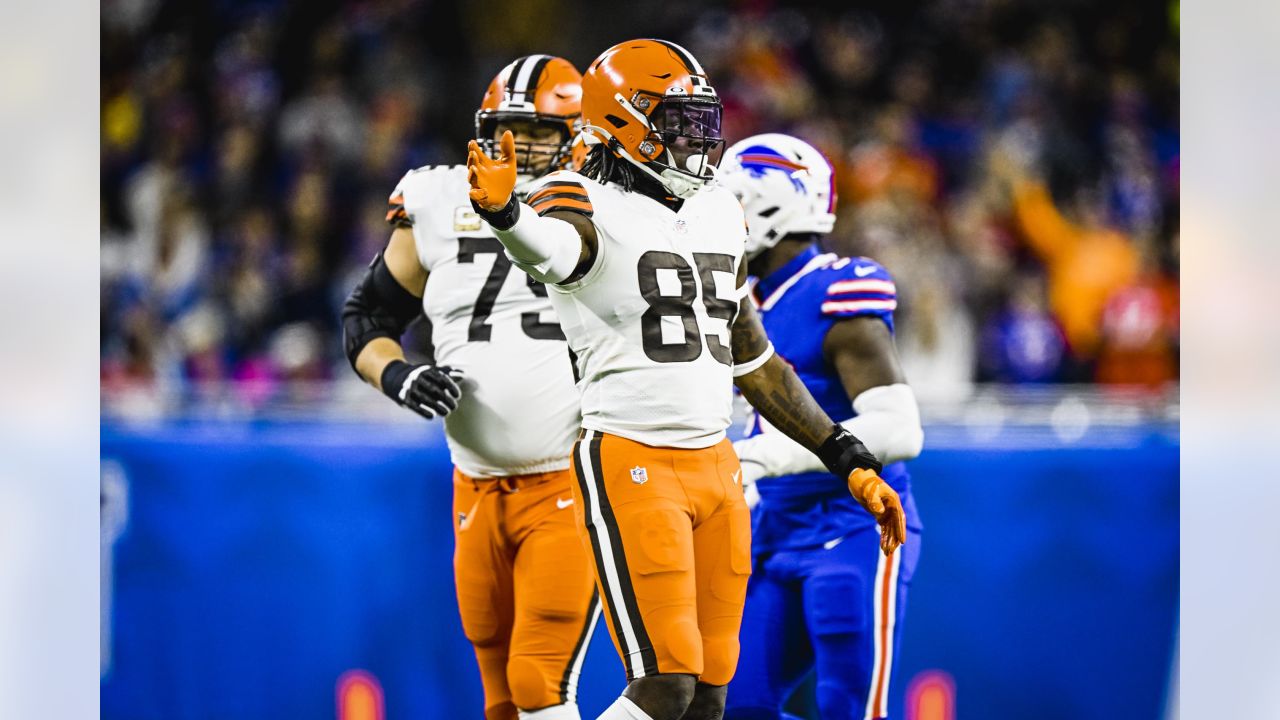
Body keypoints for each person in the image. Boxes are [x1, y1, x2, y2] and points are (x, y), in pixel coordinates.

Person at [465, 40, 907, 720]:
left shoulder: (715, 210)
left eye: (702, 121)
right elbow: (554, 251)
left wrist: (846, 457)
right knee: (663, 683)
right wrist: (507, 218)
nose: (697, 139)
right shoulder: (577, 195)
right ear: (623, 119)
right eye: (677, 121)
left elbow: (756, 363)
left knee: (707, 695)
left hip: (715, 466)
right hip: (632, 453)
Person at [342, 55, 600, 720]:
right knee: (501, 696)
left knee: (542, 681)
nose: (519, 146)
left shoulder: (611, 202)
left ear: (580, 132)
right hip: (474, 482)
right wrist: (397, 373)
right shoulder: (436, 197)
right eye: (507, 128)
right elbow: (368, 318)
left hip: (572, 476)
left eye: (539, 131)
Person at [714, 134, 925, 720]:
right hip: (774, 525)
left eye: (733, 202)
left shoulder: (837, 290)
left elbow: (899, 429)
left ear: (774, 206)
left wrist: (762, 457)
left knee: (848, 707)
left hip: (857, 525)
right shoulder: (742, 297)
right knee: (736, 705)